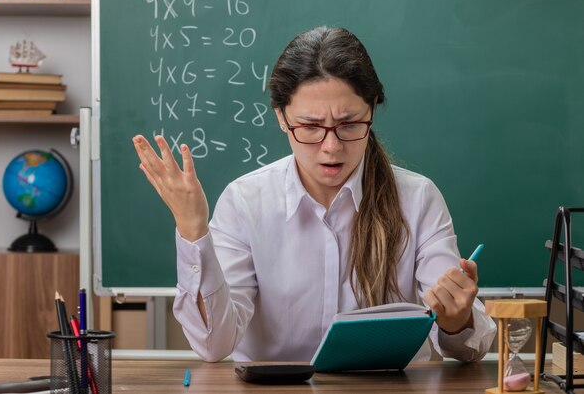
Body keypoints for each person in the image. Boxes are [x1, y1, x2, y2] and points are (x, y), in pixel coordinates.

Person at [132, 26, 496, 363]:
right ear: (281, 117)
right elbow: (214, 345)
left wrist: (456, 320)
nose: (331, 147)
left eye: (349, 124)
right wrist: (193, 229)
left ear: (372, 108)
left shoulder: (417, 200)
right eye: (310, 127)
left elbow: (469, 349)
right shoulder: (245, 202)